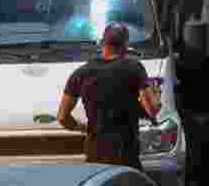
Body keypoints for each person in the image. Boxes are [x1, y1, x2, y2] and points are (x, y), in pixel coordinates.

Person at [57, 22, 162, 168]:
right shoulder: (134, 68)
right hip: (125, 155)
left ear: (102, 43)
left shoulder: (81, 73)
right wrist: (156, 94)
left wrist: (84, 128)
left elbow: (62, 117)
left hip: (95, 155)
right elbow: (152, 109)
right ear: (125, 45)